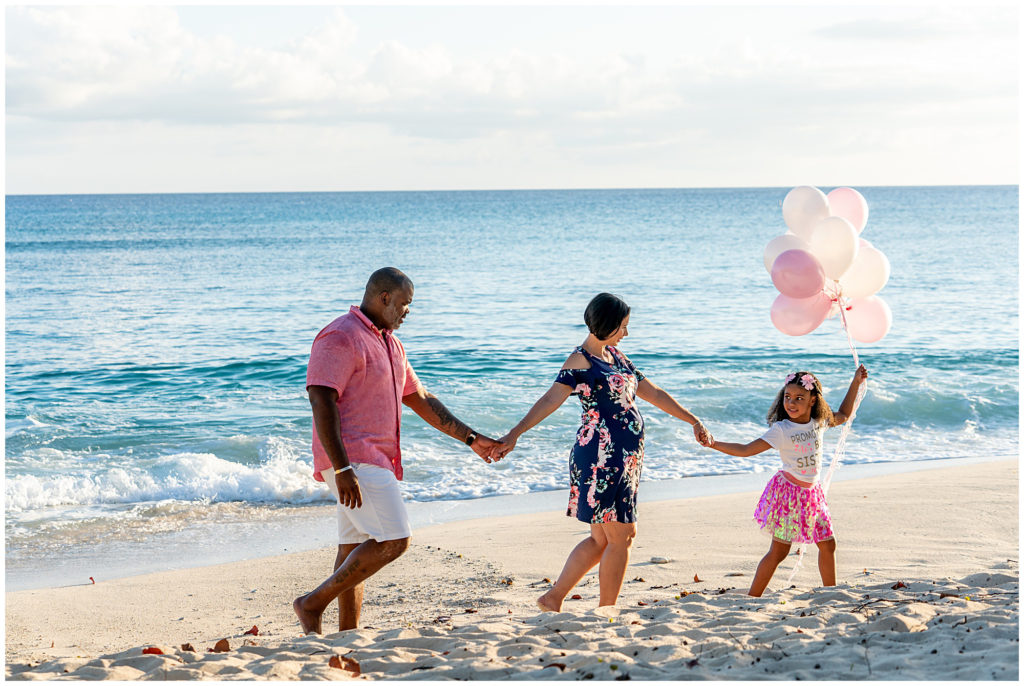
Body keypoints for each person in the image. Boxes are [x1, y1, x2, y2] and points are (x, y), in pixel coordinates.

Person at [293, 267, 501, 634]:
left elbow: (419, 398)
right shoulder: (341, 335)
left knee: (353, 546)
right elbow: (320, 398)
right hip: (352, 459)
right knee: (394, 539)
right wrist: (342, 469)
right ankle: (311, 605)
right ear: (384, 297)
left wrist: (471, 439)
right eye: (404, 304)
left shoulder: (390, 343)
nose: (408, 312)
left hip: (374, 460)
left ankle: (348, 635)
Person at [491, 292, 712, 611]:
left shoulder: (618, 357)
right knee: (622, 535)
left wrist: (693, 419)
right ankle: (607, 611)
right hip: (600, 459)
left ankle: (552, 598)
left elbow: (654, 394)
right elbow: (550, 400)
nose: (626, 333)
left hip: (625, 460)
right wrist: (514, 433)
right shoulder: (580, 361)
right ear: (607, 324)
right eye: (623, 326)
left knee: (602, 540)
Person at [703, 365, 868, 597]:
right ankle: (753, 596)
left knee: (828, 544)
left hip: (812, 494)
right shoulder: (781, 429)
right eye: (787, 397)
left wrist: (855, 382)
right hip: (789, 495)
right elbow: (747, 449)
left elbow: (843, 415)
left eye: (799, 398)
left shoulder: (819, 421)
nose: (791, 403)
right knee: (779, 552)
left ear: (813, 401)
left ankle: (831, 593)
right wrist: (714, 443)